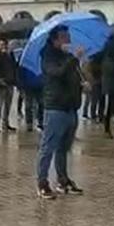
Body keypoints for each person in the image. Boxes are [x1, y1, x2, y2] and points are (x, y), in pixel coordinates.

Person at [36, 26, 85, 199]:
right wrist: (74, 60)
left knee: (64, 148)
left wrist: (82, 85)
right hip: (55, 107)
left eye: (69, 36)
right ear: (55, 40)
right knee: (48, 147)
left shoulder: (68, 57)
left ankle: (63, 180)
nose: (68, 41)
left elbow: (74, 76)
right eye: (65, 37)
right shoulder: (47, 56)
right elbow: (57, 73)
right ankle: (42, 182)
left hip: (70, 107)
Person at [0, 39, 17, 132]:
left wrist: (15, 80)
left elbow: (14, 66)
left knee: (8, 104)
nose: (4, 46)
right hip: (1, 82)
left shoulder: (10, 54)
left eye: (5, 44)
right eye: (2, 44)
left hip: (10, 82)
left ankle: (5, 123)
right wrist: (0, 53)